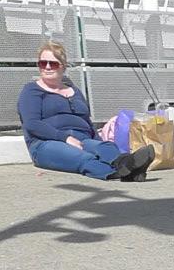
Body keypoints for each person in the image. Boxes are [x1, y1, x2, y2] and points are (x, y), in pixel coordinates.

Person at [17, 43, 154, 181]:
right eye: (42, 63)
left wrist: (98, 143)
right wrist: (65, 138)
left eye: (52, 64)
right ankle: (124, 173)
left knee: (106, 147)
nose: (47, 67)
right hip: (47, 143)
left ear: (63, 66)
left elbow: (87, 122)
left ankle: (127, 164)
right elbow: (32, 124)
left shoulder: (74, 91)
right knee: (83, 157)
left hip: (82, 140)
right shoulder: (31, 91)